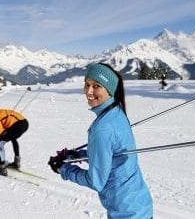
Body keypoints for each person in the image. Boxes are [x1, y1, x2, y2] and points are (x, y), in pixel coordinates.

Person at [49, 63, 153, 218]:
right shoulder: (116, 112)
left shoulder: (103, 128)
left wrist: (64, 170)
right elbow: (110, 154)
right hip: (139, 204)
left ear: (109, 89)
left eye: (96, 86)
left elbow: (96, 181)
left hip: (125, 212)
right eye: (87, 85)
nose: (89, 91)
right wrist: (77, 155)